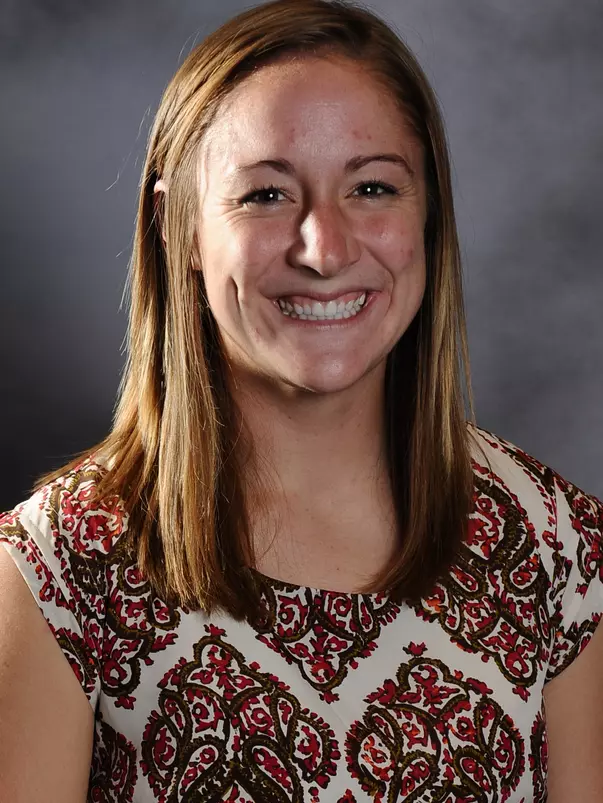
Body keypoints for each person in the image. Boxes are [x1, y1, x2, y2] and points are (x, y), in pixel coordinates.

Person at [1, 0, 602, 799]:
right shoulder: (54, 572)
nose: (324, 248)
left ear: (428, 218)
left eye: (373, 186)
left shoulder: (554, 548)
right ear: (176, 226)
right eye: (264, 196)